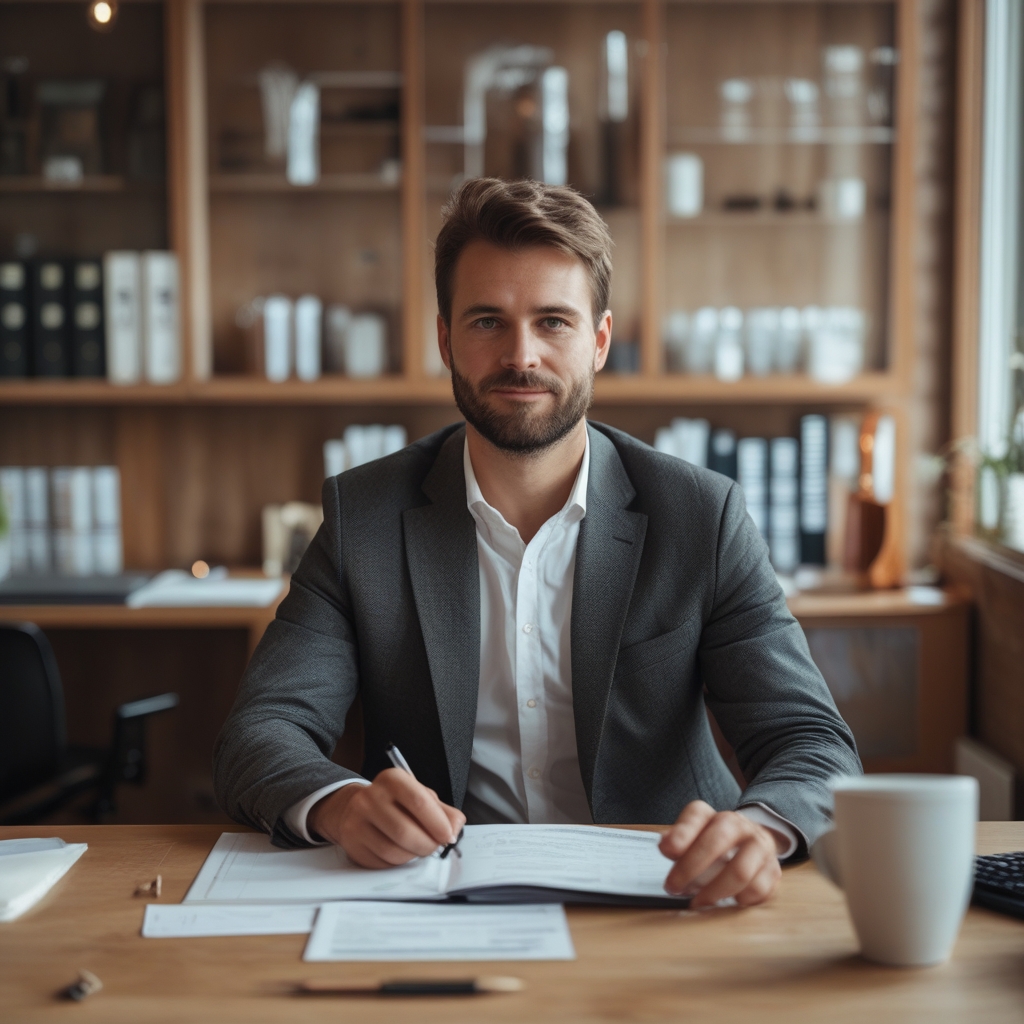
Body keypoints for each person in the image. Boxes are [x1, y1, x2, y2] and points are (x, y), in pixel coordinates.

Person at [214, 177, 861, 908]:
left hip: (666, 890)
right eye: (488, 321)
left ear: (600, 341)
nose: (520, 355)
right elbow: (262, 732)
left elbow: (812, 741)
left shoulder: (700, 516)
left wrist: (760, 829)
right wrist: (340, 804)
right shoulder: (364, 517)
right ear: (445, 340)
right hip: (442, 899)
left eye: (553, 321)